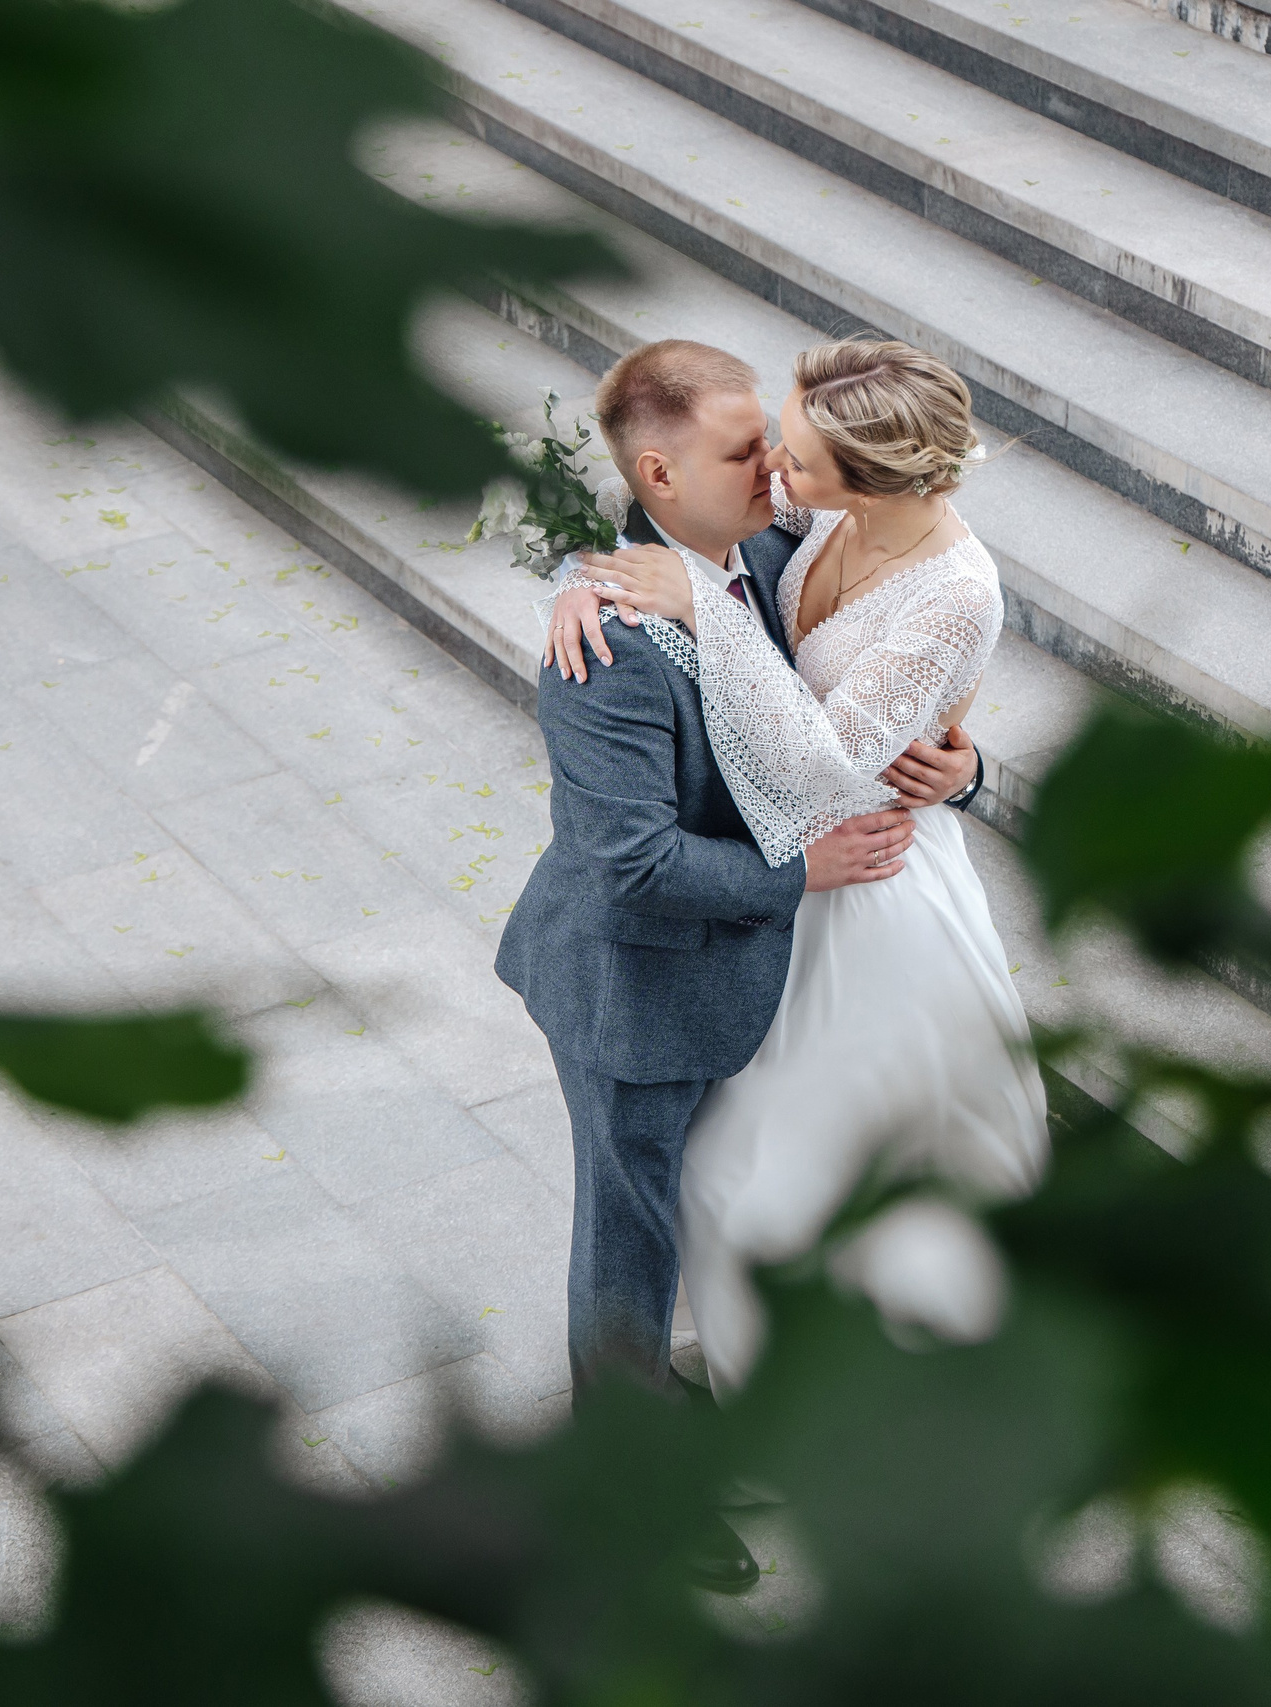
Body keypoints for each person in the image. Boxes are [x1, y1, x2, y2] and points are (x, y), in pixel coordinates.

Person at [494, 341, 982, 1591]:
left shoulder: (770, 550)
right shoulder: (599, 656)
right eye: (741, 448)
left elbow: (886, 660)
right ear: (659, 471)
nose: (775, 466)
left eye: (774, 436)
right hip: (633, 978)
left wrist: (968, 771)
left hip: (754, 970)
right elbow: (631, 869)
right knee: (630, 1235)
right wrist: (800, 874)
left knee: (728, 1192)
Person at [577, 337, 1048, 1400]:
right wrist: (584, 579)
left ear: (870, 476)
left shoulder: (955, 596)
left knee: (816, 1161)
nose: (770, 469)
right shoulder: (822, 511)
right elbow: (672, 515)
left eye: (789, 452)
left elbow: (833, 760)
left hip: (872, 881)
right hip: (796, 872)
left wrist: (701, 612)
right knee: (738, 1158)